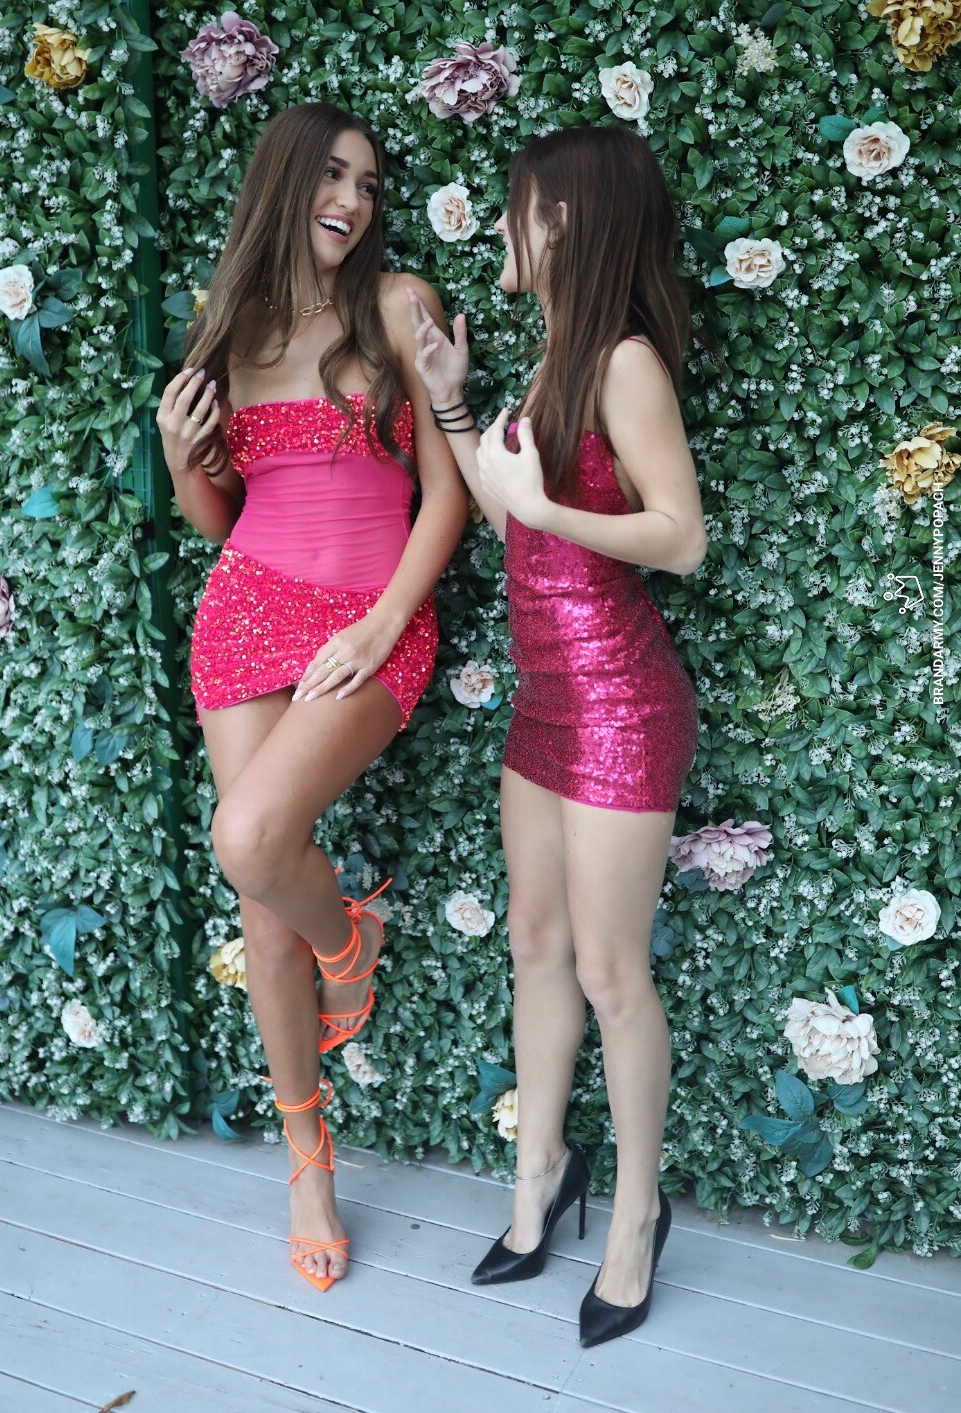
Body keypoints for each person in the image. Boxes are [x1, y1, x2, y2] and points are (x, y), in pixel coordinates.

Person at [156, 102, 468, 1293]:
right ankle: (307, 1160)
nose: (353, 199)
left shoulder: (398, 305)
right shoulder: (228, 328)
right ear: (284, 183)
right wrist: (181, 456)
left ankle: (353, 936)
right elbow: (219, 519)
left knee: (250, 839)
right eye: (333, 175)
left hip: (369, 622)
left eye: (369, 184)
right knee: (261, 908)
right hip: (245, 607)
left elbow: (447, 496)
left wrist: (383, 624)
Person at [409, 123, 706, 1348]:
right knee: (534, 940)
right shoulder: (554, 360)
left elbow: (681, 535)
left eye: (519, 205)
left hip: (622, 703)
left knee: (607, 971)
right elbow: (514, 521)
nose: (503, 224)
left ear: (568, 220)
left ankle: (634, 1218)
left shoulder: (625, 363)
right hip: (543, 698)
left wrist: (542, 502)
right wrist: (452, 402)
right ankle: (538, 1177)